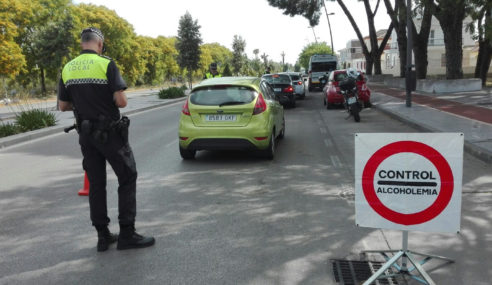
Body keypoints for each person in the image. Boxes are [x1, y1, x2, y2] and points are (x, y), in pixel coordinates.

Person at [58, 27, 155, 252]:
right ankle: (127, 234)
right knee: (127, 177)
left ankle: (103, 236)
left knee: (96, 184)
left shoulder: (68, 68)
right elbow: (121, 102)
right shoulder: (106, 64)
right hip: (110, 135)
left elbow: (63, 105)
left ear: (83, 43)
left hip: (86, 136)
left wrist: (85, 104)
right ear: (100, 44)